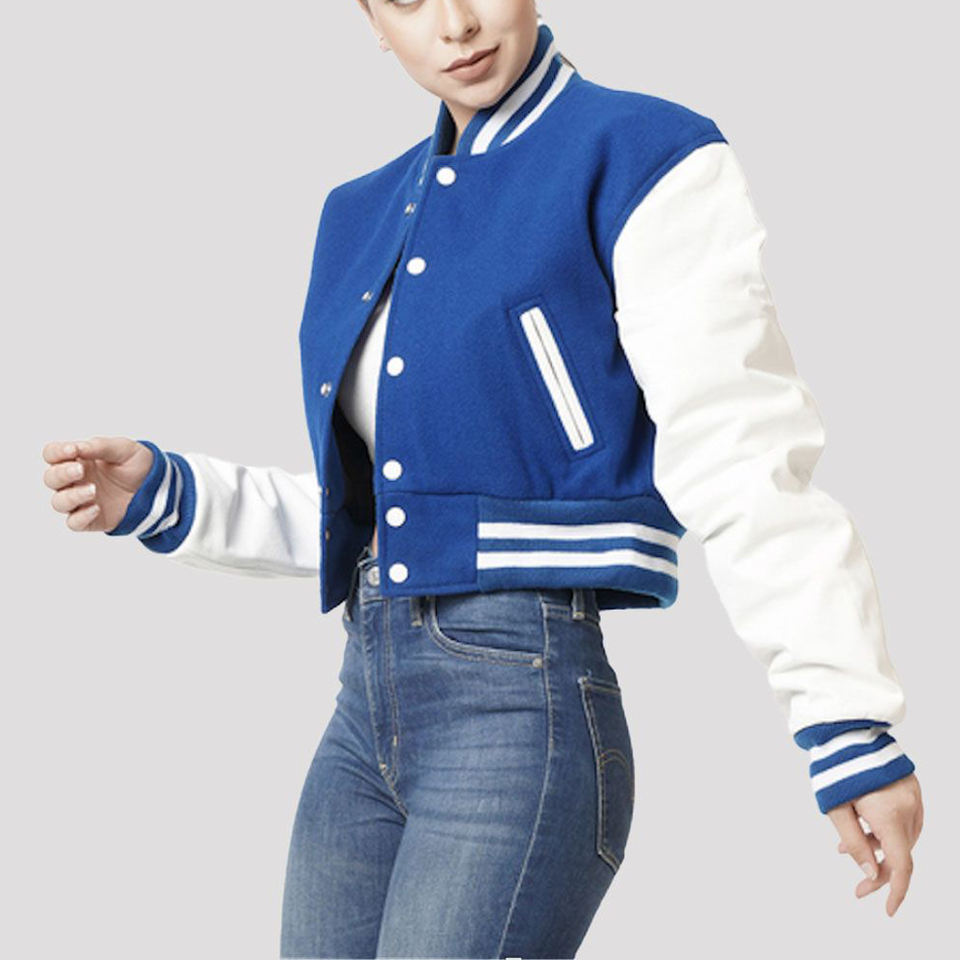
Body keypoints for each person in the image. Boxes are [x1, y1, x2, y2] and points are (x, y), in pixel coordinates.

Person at [41, 1, 923, 955]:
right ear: (372, 20)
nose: (456, 23)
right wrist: (172, 497)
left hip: (518, 704)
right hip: (361, 706)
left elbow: (743, 450)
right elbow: (390, 516)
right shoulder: (358, 213)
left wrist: (846, 724)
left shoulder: (642, 154)